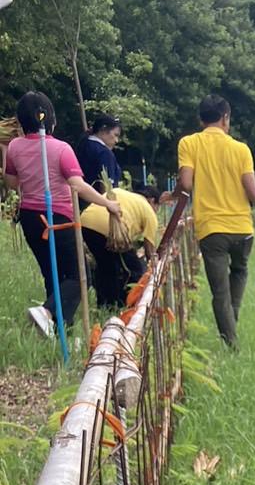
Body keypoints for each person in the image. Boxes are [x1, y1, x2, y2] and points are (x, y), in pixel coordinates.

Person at [2, 91, 122, 335]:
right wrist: (107, 203)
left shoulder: (14, 146)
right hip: (58, 219)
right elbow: (77, 185)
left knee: (52, 274)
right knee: (79, 275)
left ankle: (58, 330)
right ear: (51, 119)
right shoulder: (61, 149)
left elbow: (12, 182)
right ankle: (47, 312)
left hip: (30, 218)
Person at [175, 94, 255, 348]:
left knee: (220, 292)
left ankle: (231, 343)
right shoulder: (241, 149)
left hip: (211, 230)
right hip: (242, 229)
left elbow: (186, 183)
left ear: (201, 118)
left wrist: (174, 190)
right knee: (239, 270)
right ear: (225, 118)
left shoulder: (189, 143)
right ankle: (232, 321)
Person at [79, 185, 160, 308]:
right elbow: (149, 249)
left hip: (85, 222)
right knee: (134, 269)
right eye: (158, 207)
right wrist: (154, 269)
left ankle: (105, 304)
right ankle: (129, 304)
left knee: (105, 265)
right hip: (109, 229)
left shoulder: (119, 191)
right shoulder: (149, 211)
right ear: (152, 201)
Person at [76, 114, 122, 193]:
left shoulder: (81, 146)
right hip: (98, 202)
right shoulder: (104, 153)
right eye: (115, 135)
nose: (116, 140)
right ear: (103, 130)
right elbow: (106, 187)